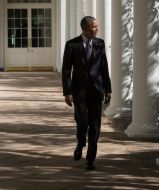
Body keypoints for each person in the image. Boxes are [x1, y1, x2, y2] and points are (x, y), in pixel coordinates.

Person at [62, 16, 112, 170]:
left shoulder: (99, 43)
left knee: (95, 126)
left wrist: (108, 89)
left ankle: (91, 159)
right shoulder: (72, 45)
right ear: (85, 28)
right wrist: (67, 92)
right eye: (94, 27)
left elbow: (104, 66)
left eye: (97, 26)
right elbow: (66, 70)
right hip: (80, 91)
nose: (97, 29)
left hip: (97, 91)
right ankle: (80, 143)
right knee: (82, 121)